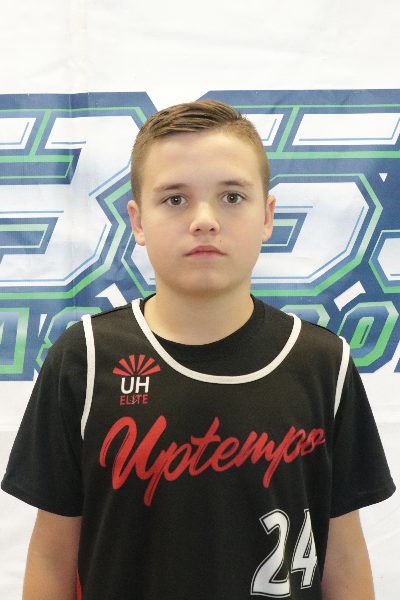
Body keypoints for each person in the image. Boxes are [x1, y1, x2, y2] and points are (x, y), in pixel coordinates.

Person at [1, 100, 395, 600]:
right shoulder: (84, 358)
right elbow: (52, 554)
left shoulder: (322, 363)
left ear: (267, 216)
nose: (204, 220)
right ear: (137, 221)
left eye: (232, 197)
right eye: (175, 199)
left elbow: (344, 556)